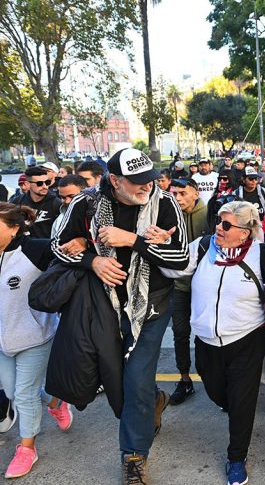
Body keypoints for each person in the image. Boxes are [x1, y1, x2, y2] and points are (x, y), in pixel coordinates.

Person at [51, 148, 189, 484]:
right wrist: (92, 261)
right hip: (103, 305)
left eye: (150, 179)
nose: (147, 186)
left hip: (151, 307)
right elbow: (56, 245)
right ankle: (154, 401)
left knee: (136, 379)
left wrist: (133, 240)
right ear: (114, 180)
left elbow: (181, 258)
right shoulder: (85, 203)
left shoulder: (165, 203)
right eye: (137, 181)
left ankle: (133, 456)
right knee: (114, 377)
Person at [162, 201, 265, 485]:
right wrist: (163, 246)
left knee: (242, 403)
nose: (219, 227)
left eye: (227, 225)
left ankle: (237, 458)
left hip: (247, 339)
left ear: (245, 233)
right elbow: (175, 269)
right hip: (206, 340)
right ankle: (233, 408)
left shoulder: (262, 254)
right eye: (219, 221)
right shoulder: (203, 246)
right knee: (218, 392)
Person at [0, 203, 73, 479]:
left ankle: (27, 448)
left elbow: (69, 252)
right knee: (12, 392)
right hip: (3, 341)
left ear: (14, 228)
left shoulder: (35, 249)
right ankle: (55, 401)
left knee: (24, 394)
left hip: (36, 336)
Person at [167, 177, 209, 405]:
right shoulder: (168, 215)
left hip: (206, 287)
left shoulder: (211, 212)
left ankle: (212, 379)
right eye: (175, 193)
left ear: (196, 193)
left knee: (206, 335)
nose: (178, 198)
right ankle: (184, 379)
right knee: (180, 333)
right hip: (179, 286)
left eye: (183, 193)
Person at [15, 166, 62, 238]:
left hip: (47, 246)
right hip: (24, 246)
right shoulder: (18, 202)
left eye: (47, 182)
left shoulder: (57, 203)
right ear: (27, 184)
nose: (45, 186)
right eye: (39, 183)